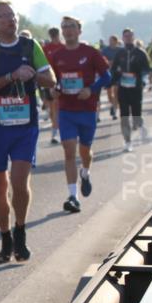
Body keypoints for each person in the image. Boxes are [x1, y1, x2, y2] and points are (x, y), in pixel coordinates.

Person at [0, 0, 55, 263]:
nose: (11, 20)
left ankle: (20, 230)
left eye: (13, 15)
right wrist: (10, 77)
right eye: (4, 16)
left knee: (20, 181)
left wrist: (31, 76)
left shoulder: (31, 46)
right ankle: (5, 238)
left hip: (25, 124)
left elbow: (51, 80)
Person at [49, 16, 111, 213]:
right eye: (64, 27)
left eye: (72, 27)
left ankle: (85, 172)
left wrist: (91, 89)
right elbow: (53, 81)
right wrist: (54, 90)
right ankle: (73, 196)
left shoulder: (91, 52)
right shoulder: (57, 55)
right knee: (69, 151)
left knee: (85, 151)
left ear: (79, 30)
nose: (68, 30)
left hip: (87, 109)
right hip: (66, 109)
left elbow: (107, 77)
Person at [109, 28, 151, 152]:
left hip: (136, 87)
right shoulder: (119, 53)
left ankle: (140, 124)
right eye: (125, 36)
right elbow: (113, 69)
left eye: (130, 36)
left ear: (133, 37)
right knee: (124, 116)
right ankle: (127, 142)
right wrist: (113, 79)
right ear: (122, 38)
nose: (127, 38)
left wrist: (143, 80)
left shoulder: (140, 53)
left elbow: (146, 69)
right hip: (123, 88)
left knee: (136, 115)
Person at [42, 27, 65, 145]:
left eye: (55, 34)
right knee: (53, 108)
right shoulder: (46, 49)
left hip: (64, 80)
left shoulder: (64, 47)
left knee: (60, 107)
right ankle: (55, 131)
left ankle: (61, 130)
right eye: (52, 35)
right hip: (50, 80)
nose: (54, 36)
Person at [101, 35, 123, 119]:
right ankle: (112, 103)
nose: (110, 42)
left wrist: (116, 63)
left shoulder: (120, 50)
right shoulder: (105, 50)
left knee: (116, 92)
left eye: (112, 40)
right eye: (109, 40)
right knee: (109, 94)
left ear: (116, 41)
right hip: (108, 73)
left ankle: (114, 110)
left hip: (117, 73)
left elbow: (123, 60)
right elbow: (101, 59)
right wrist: (108, 62)